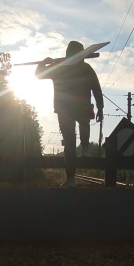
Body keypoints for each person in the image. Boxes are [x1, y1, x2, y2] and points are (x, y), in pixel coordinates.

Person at [36, 41, 104, 187]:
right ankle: (85, 147)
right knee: (84, 124)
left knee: (69, 144)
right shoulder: (86, 68)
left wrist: (43, 63)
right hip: (82, 107)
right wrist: (100, 108)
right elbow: (97, 89)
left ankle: (71, 178)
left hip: (64, 109)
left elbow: (39, 74)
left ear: (67, 54)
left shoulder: (59, 68)